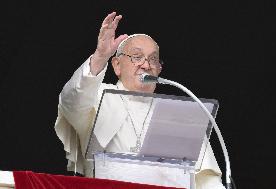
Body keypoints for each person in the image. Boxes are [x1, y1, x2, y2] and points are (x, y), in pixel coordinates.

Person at [55, 12, 225, 189]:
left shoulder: (179, 113)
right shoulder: (97, 98)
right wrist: (100, 57)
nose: (146, 65)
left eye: (153, 59)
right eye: (137, 57)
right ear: (117, 65)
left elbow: (206, 179)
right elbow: (71, 102)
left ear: (159, 69)